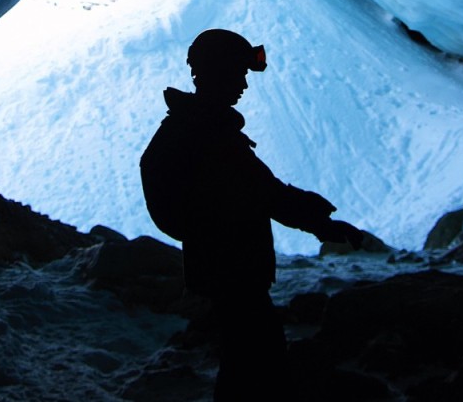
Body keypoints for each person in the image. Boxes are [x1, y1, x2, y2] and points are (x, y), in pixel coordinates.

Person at [139, 28, 364, 400]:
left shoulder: (195, 126)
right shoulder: (210, 134)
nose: (244, 84)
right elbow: (265, 192)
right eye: (239, 73)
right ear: (218, 73)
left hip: (221, 265)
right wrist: (321, 222)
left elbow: (259, 191)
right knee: (256, 362)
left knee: (244, 359)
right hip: (233, 267)